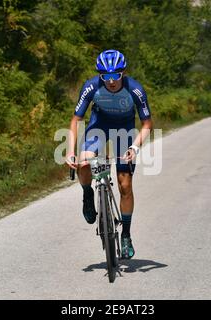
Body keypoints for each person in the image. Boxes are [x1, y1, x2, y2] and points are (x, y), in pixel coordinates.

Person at [66, 49, 153, 259]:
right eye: (105, 76)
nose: (111, 81)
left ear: (123, 73)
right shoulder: (91, 87)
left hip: (124, 127)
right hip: (100, 124)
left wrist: (134, 148)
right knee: (84, 162)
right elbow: (76, 120)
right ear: (100, 75)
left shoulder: (135, 90)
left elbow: (147, 124)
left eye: (116, 76)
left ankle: (126, 235)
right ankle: (88, 194)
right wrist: (70, 151)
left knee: (125, 184)